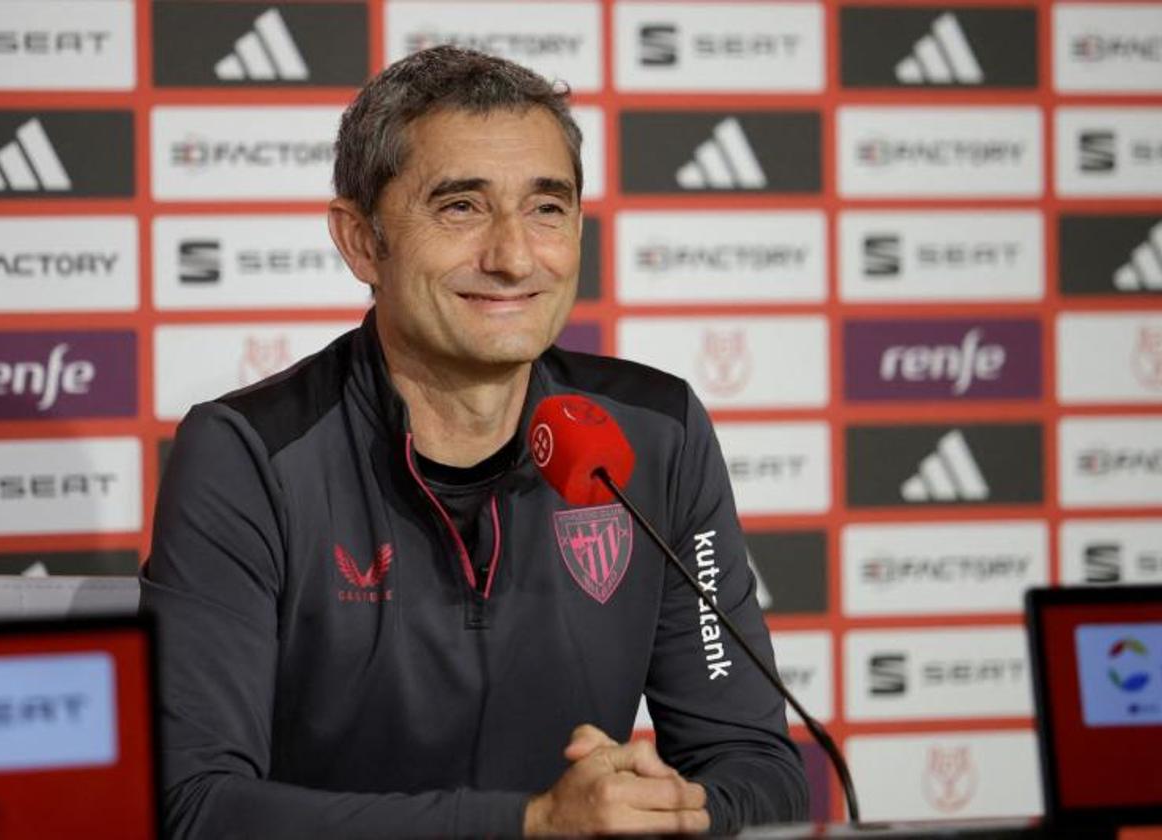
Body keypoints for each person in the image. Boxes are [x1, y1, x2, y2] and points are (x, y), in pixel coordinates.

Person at [141, 45, 808, 838]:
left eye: (546, 208)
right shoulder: (248, 454)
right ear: (361, 241)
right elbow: (197, 807)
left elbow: (759, 771)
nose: (514, 256)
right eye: (461, 207)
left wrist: (666, 813)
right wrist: (529, 825)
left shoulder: (657, 435)